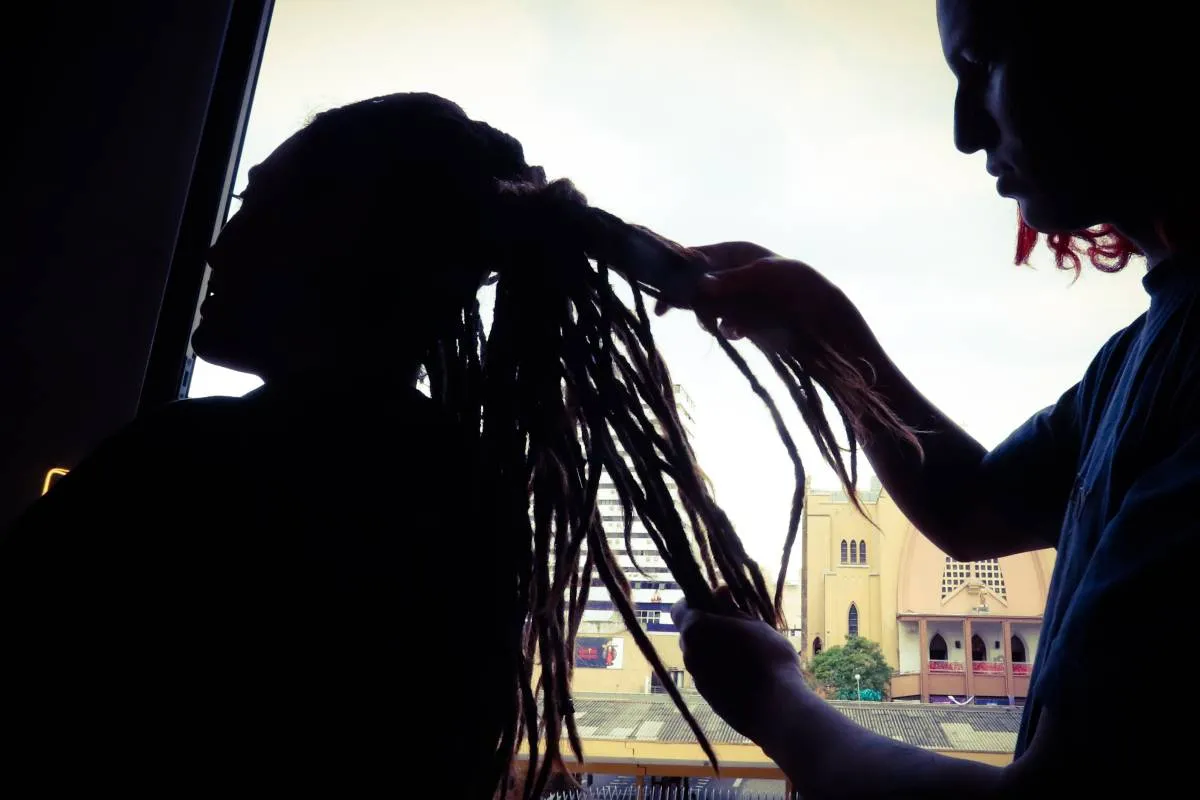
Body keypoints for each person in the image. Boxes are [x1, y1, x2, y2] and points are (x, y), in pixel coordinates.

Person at [0, 93, 887, 797]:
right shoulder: (460, 487)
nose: (219, 248)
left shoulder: (187, 471)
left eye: (260, 212)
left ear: (352, 251)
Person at [671, 1, 1195, 795]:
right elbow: (972, 506)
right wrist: (820, 325)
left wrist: (775, 702)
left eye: (981, 64)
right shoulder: (1142, 353)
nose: (964, 130)